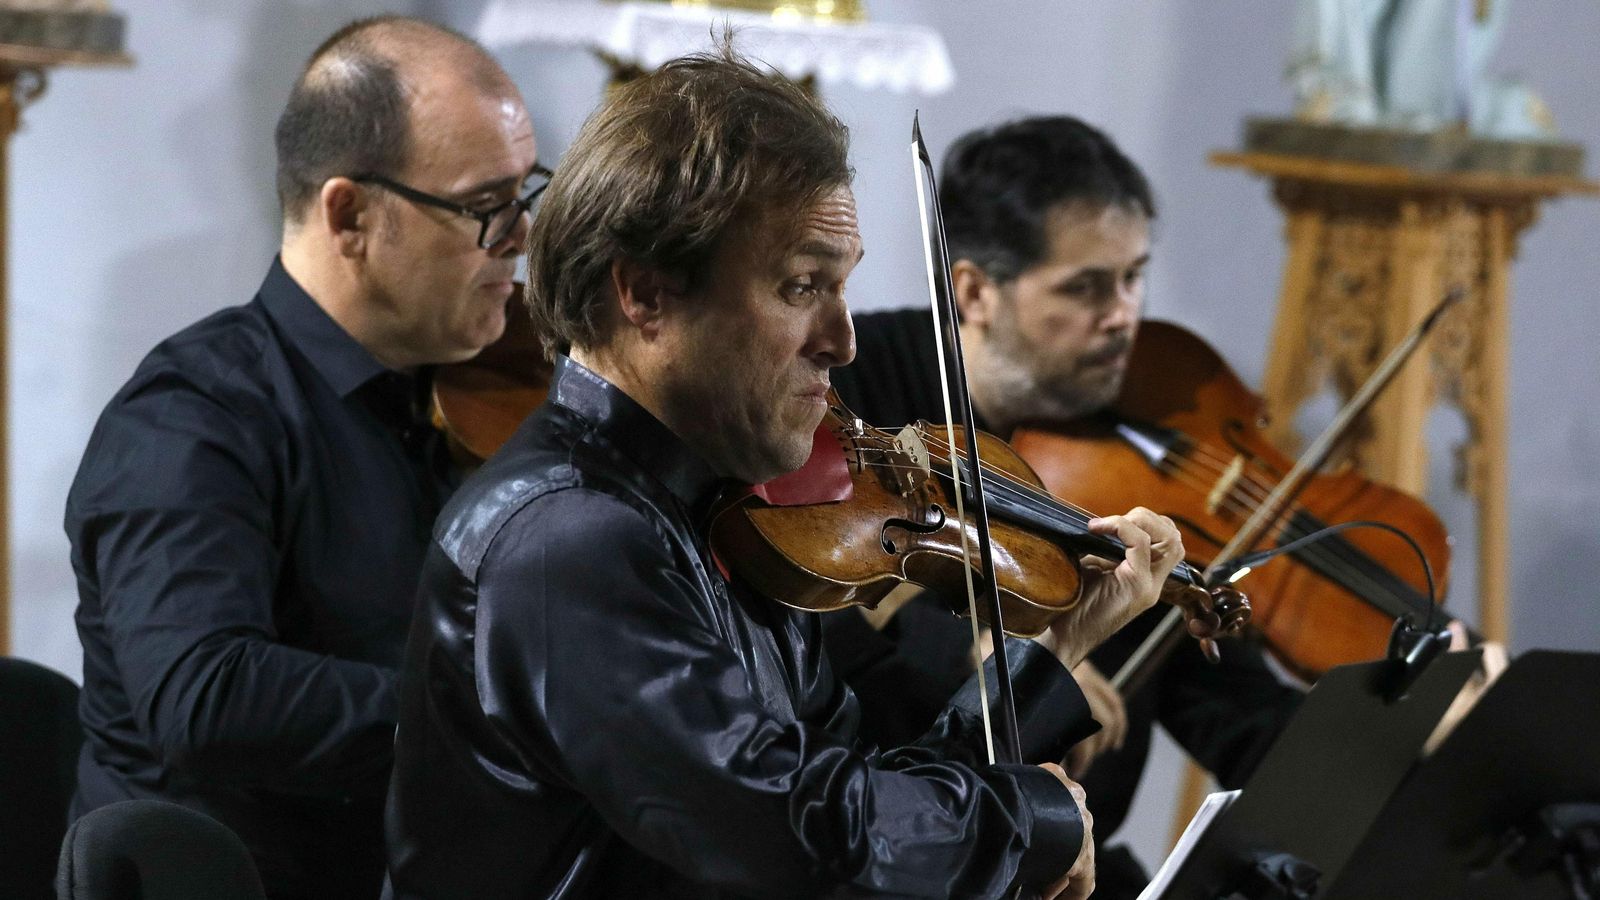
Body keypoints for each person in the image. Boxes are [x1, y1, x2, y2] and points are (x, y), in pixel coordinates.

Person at [383, 47, 1211, 899]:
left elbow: (856, 785)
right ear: (647, 294)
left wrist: (1055, 645)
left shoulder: (718, 508)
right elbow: (793, 838)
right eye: (800, 286)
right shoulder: (569, 534)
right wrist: (1028, 821)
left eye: (842, 288)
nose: (843, 341)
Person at [64, 16, 542, 898]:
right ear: (350, 214)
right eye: (485, 207)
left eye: (526, 192)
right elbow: (206, 694)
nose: (520, 237)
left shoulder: (469, 385)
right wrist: (499, 720)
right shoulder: (192, 416)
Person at [824, 115, 1306, 898]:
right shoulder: (847, 390)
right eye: (1086, 287)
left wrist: (1412, 736)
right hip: (905, 855)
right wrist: (977, 657)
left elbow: (1236, 711)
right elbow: (790, 616)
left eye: (1132, 277)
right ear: (975, 291)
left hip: (1078, 866)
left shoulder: (1121, 460)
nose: (1123, 314)